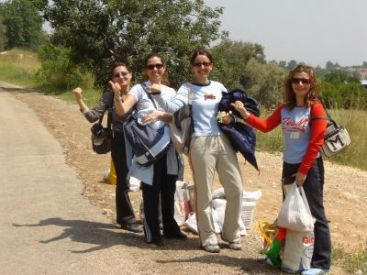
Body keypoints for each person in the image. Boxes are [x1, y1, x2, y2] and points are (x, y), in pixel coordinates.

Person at [232, 64, 331, 275]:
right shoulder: (285, 109)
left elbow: (316, 143)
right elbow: (266, 126)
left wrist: (304, 171)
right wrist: (243, 113)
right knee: (291, 211)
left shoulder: (316, 109)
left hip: (310, 166)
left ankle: (321, 264)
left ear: (311, 83)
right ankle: (289, 255)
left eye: (305, 80)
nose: (300, 84)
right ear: (290, 83)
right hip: (289, 165)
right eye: (296, 80)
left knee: (315, 213)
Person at [145, 49, 243, 253]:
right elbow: (172, 107)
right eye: (198, 64)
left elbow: (229, 112)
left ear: (211, 65)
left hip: (223, 140)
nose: (202, 67)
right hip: (200, 141)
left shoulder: (218, 87)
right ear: (192, 67)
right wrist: (158, 95)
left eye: (206, 63)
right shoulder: (187, 89)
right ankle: (207, 237)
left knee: (235, 188)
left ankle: (231, 233)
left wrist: (230, 118)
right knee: (204, 191)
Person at [110, 53, 186, 246]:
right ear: (145, 70)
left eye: (158, 66)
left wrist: (161, 115)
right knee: (151, 190)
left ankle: (170, 227)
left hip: (169, 148)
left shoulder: (170, 91)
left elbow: (176, 118)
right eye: (151, 67)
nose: (155, 70)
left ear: (164, 68)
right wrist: (118, 96)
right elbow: (122, 111)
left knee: (169, 189)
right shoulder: (138, 89)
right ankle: (152, 232)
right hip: (149, 148)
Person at [73, 62, 142, 233]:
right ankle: (126, 219)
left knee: (148, 179)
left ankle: (150, 216)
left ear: (131, 74)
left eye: (124, 73)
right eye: (116, 75)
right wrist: (79, 99)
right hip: (120, 140)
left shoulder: (139, 92)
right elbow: (92, 117)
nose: (121, 77)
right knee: (124, 180)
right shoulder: (109, 97)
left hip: (142, 140)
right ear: (112, 79)